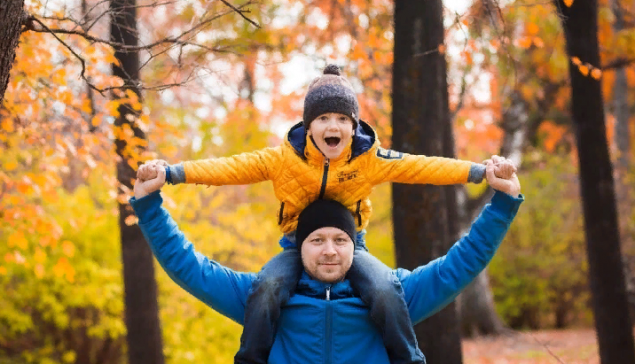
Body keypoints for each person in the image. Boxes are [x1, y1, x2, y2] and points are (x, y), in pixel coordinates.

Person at [137, 64, 516, 364]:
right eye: (318, 241)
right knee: (268, 287)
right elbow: (225, 177)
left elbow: (424, 171)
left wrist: (485, 178)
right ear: (307, 125)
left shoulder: (370, 165)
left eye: (342, 120)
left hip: (363, 253)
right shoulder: (281, 163)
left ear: (353, 127)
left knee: (384, 289)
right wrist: (168, 179)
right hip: (289, 244)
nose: (330, 251)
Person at [131, 160, 523, 364]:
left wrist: (503, 203)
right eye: (316, 240)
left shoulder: (393, 296)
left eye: (340, 240)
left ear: (356, 245)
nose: (330, 250)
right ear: (298, 248)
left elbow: (461, 264)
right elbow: (189, 268)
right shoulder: (263, 299)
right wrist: (149, 205)